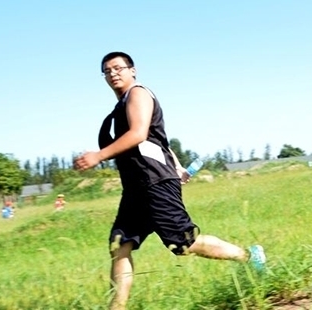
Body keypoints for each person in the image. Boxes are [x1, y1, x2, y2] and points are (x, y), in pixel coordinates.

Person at [73, 51, 265, 310]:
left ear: (133, 70)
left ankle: (249, 255)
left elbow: (140, 134)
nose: (112, 73)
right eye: (107, 71)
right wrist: (177, 165)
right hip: (136, 187)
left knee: (183, 244)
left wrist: (99, 155)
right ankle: (116, 307)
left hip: (154, 183)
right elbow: (159, 140)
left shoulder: (138, 94)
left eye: (118, 68)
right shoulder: (121, 106)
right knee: (120, 245)